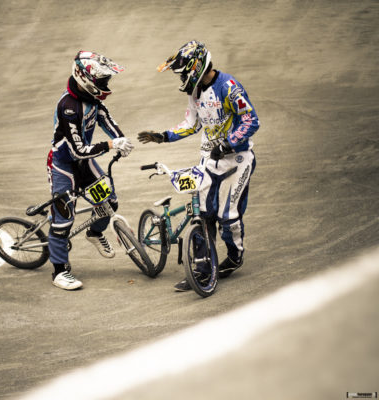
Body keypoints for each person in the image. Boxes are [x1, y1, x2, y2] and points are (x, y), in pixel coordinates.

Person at [138, 40, 259, 291]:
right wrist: (163, 136)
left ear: (195, 67)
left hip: (237, 160)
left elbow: (251, 121)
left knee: (228, 216)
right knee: (203, 214)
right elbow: (192, 124)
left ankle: (234, 257)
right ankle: (202, 270)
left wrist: (228, 143)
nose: (181, 78)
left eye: (182, 73)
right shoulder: (195, 93)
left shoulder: (229, 87)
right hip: (210, 160)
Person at [47, 50, 134, 290]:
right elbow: (78, 151)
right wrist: (109, 144)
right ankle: (59, 272)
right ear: (84, 78)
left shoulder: (92, 99)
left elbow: (106, 120)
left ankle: (94, 233)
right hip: (64, 166)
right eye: (102, 81)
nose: (105, 85)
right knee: (63, 220)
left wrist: (121, 139)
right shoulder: (69, 107)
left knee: (109, 203)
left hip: (85, 164)